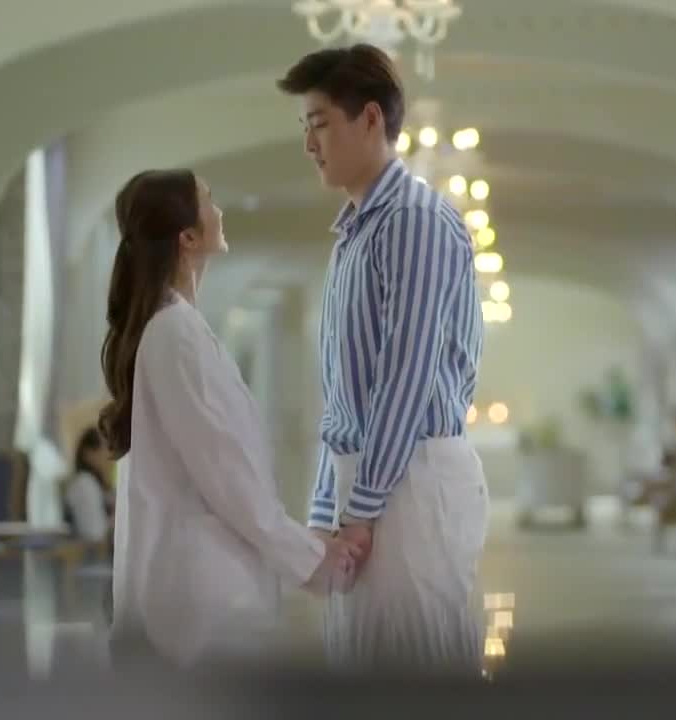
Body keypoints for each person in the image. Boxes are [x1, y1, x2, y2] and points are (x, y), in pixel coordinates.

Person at [276, 44, 490, 675]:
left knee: (412, 671)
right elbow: (344, 395)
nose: (309, 145)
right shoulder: (356, 230)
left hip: (412, 478)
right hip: (372, 479)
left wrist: (362, 509)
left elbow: (406, 378)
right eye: (305, 128)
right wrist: (326, 511)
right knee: (365, 667)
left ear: (370, 118)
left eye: (320, 125)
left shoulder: (413, 221)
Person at [98, 168, 362, 669]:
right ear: (188, 237)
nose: (219, 209)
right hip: (198, 604)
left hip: (211, 591)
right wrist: (308, 556)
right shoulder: (174, 333)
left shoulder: (183, 327)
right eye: (209, 199)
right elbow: (226, 476)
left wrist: (304, 545)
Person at [63, 426, 114, 544]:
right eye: (105, 449)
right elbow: (95, 534)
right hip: (90, 554)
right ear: (88, 453)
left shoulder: (95, 484)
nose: (110, 456)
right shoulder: (84, 484)